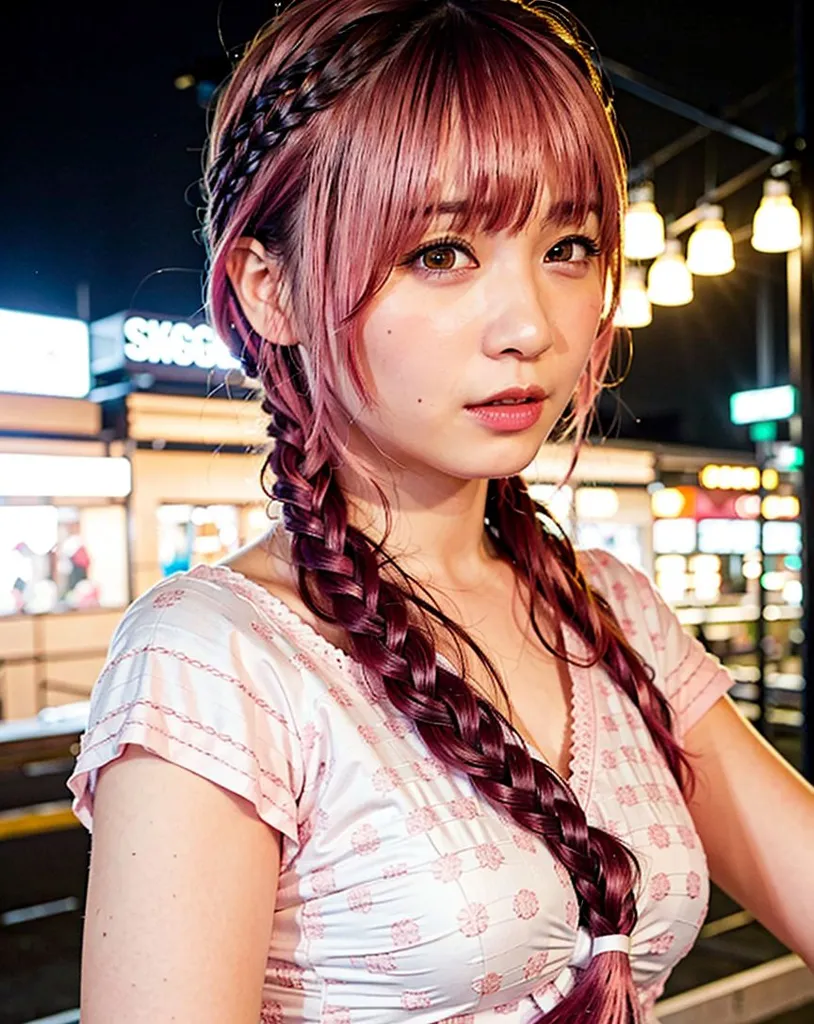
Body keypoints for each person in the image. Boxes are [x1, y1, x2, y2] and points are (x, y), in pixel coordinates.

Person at [67, 1, 814, 1021]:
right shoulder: (216, 659)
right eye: (441, 252)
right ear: (268, 288)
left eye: (569, 246)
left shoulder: (614, 613)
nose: (530, 326)